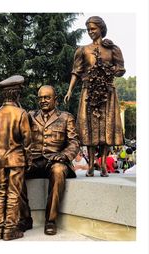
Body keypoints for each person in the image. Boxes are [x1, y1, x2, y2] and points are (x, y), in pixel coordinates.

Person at [64, 16, 125, 177]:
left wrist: (108, 71)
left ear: (101, 28)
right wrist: (70, 90)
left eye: (93, 29)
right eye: (88, 29)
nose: (91, 32)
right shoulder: (83, 50)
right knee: (89, 129)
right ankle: (91, 164)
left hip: (107, 92)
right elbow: (76, 72)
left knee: (106, 128)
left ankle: (103, 163)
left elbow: (121, 69)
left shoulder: (112, 49)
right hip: (89, 92)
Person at [20, 85, 80, 235]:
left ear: (56, 100)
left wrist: (64, 155)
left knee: (58, 170)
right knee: (15, 171)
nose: (43, 101)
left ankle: (51, 220)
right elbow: (21, 138)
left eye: (47, 97)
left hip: (55, 161)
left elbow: (74, 142)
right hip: (34, 161)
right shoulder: (30, 116)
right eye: (40, 98)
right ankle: (25, 218)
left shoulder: (66, 117)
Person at [0, 75, 32, 241]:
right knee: (14, 194)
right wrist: (28, 160)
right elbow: (27, 141)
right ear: (16, 94)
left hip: (1, 160)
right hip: (16, 160)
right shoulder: (21, 113)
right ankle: (9, 229)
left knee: (1, 193)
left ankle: (0, 228)